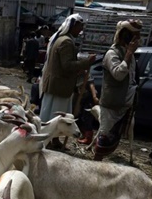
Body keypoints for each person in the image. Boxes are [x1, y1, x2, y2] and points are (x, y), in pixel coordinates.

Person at [94, 19, 142, 161]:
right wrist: (128, 54)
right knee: (104, 136)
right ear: (126, 36)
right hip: (112, 103)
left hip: (124, 102)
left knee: (114, 135)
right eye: (135, 36)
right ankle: (96, 165)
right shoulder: (112, 53)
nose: (138, 40)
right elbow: (119, 74)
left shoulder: (129, 54)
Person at [39, 14, 95, 125]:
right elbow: (67, 65)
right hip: (60, 87)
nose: (81, 30)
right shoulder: (66, 42)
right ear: (73, 26)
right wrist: (87, 62)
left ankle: (50, 135)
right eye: (79, 27)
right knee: (56, 118)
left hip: (56, 85)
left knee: (50, 116)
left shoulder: (60, 39)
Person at [76, 73, 100, 145]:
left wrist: (94, 97)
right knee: (80, 117)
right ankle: (83, 134)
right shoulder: (76, 75)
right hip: (82, 97)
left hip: (88, 97)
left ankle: (88, 138)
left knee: (87, 117)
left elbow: (91, 85)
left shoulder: (86, 74)